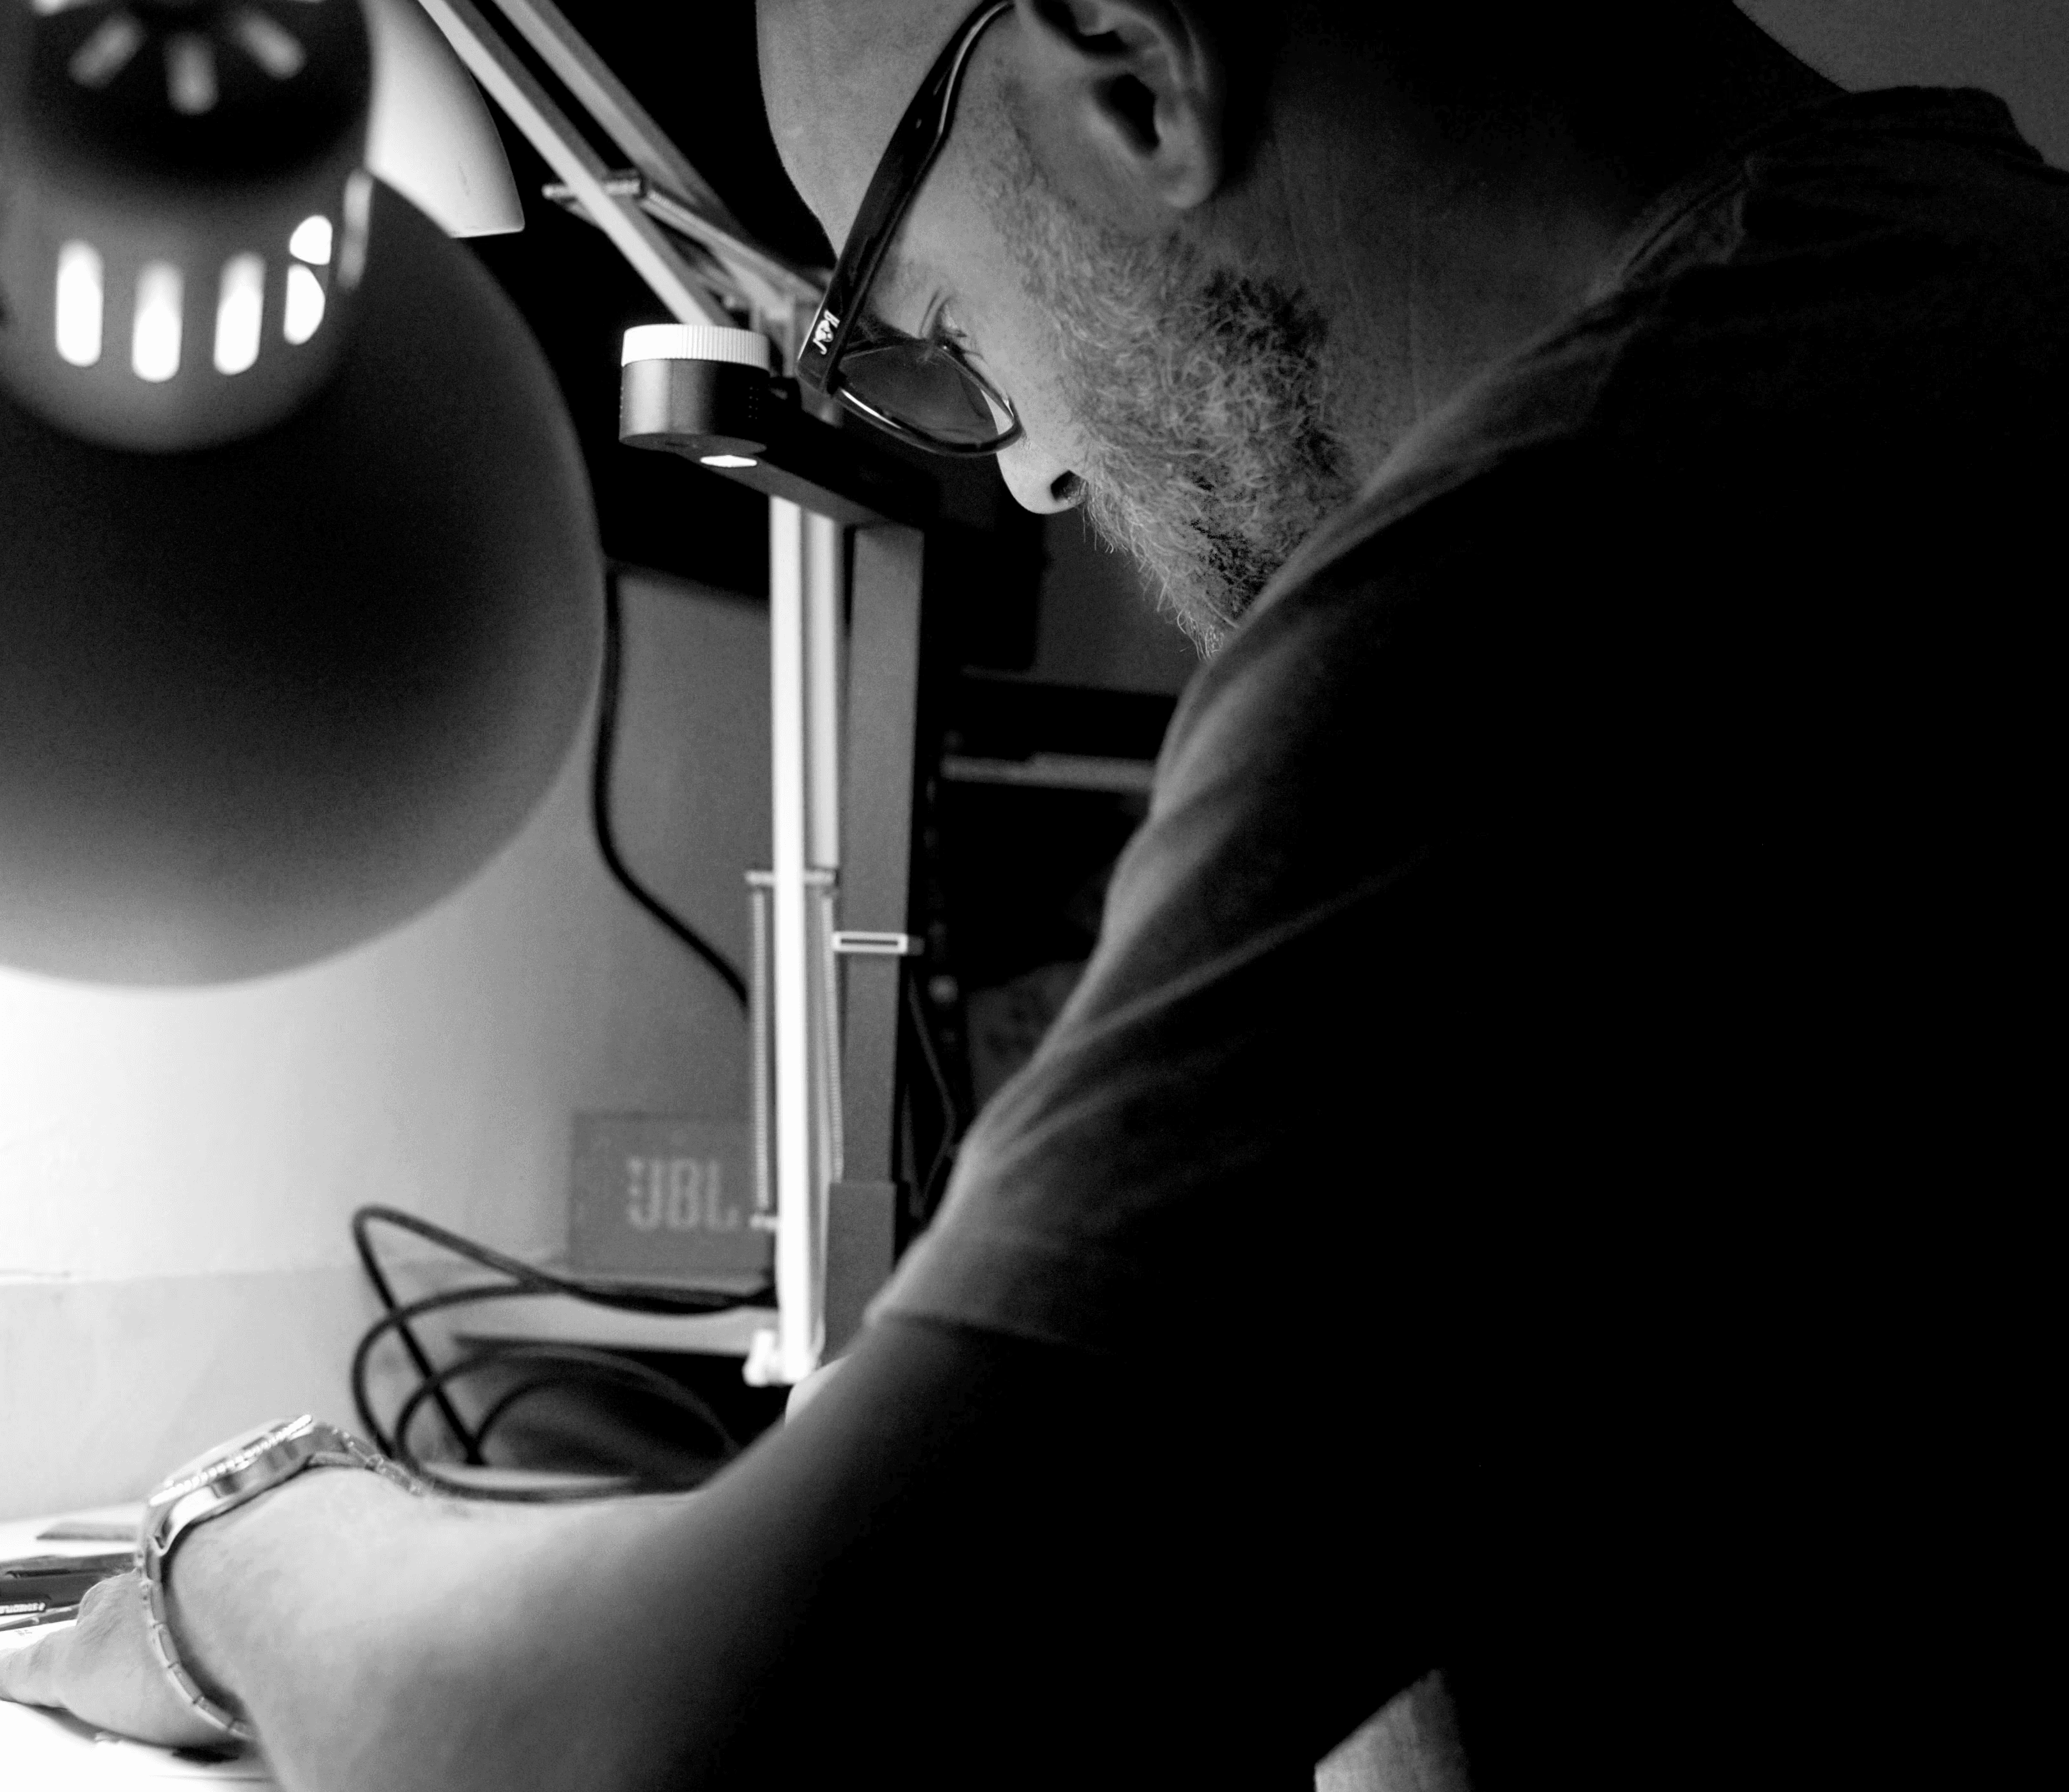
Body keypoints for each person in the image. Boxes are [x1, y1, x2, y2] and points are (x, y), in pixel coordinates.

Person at [4, 3, 2060, 1786]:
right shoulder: (1955, 310)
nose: (1022, 476)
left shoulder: (1595, 551)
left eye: (930, 338)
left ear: (1130, 70)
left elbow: (697, 1740)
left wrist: (240, 1541)